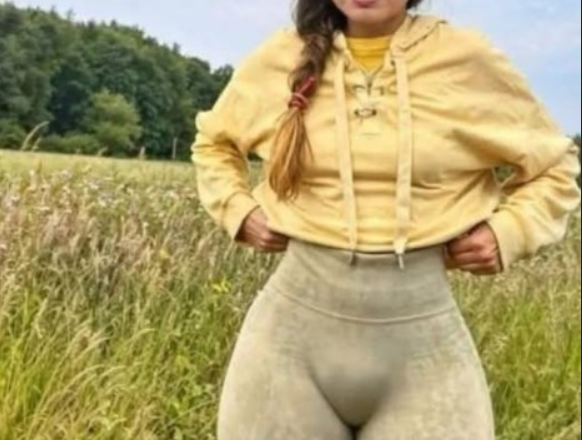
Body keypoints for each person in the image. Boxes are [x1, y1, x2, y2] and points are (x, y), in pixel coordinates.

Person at [192, 0, 581, 438]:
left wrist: (508, 232)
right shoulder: (282, 55)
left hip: (423, 353)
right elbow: (214, 144)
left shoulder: (467, 58)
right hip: (285, 350)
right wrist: (239, 210)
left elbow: (555, 166)